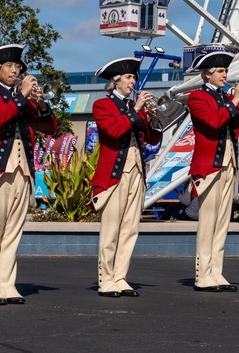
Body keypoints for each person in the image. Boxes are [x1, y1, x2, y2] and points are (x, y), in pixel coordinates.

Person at [0, 44, 57, 306]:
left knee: (13, 232)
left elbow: (49, 128)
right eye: (10, 66)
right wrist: (21, 96)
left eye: (18, 67)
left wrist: (41, 104)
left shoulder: (24, 99)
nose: (15, 70)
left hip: (23, 173)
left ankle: (8, 284)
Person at [90, 57, 163, 298]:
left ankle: (120, 277)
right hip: (114, 175)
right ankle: (106, 279)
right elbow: (113, 131)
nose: (134, 82)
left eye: (134, 77)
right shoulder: (103, 105)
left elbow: (153, 140)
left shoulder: (135, 108)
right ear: (116, 81)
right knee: (111, 230)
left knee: (130, 229)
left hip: (137, 174)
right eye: (129, 78)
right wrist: (137, 109)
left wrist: (152, 117)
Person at [187, 47, 239, 292]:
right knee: (208, 222)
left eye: (226, 70)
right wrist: (235, 100)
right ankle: (202, 275)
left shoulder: (225, 100)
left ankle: (216, 272)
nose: (225, 74)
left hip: (229, 166)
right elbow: (213, 122)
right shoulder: (197, 97)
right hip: (209, 167)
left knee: (222, 223)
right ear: (207, 74)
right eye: (220, 71)